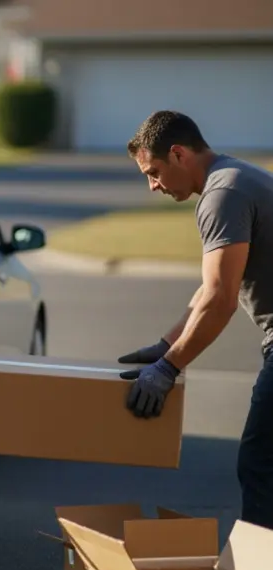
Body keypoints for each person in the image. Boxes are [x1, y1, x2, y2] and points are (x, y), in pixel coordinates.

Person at [116, 110, 273, 529]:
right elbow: (209, 289)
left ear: (179, 154)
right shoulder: (234, 178)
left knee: (261, 464)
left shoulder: (223, 196)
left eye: (153, 172)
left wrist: (167, 369)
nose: (153, 186)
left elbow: (221, 300)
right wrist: (166, 345)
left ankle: (260, 569)